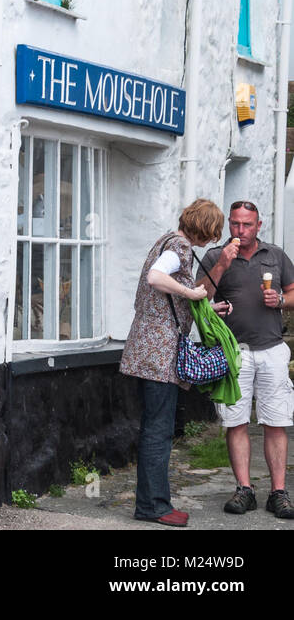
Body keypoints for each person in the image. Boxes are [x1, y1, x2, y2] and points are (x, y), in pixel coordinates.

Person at [120, 198, 228, 527]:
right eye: (213, 232)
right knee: (158, 432)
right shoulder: (179, 247)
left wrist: (208, 308)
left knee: (157, 429)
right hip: (159, 356)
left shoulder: (166, 239)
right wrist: (196, 295)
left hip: (147, 352)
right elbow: (155, 278)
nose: (212, 239)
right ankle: (154, 507)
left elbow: (168, 294)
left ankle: (151, 503)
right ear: (205, 228)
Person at [199, 199, 294, 518]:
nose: (241, 230)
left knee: (276, 421)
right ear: (229, 223)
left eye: (247, 224)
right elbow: (198, 294)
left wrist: (281, 299)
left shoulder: (276, 255)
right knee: (235, 420)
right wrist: (223, 264)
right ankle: (245, 490)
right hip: (233, 351)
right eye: (235, 224)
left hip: (271, 348)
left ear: (258, 225)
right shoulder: (215, 255)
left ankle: (278, 492)